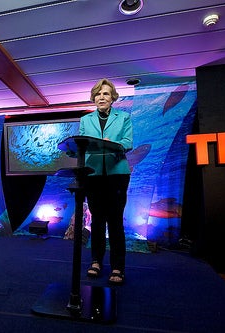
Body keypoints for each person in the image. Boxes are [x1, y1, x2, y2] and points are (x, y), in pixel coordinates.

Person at [79, 78, 133, 285]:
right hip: (93, 175)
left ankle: (118, 266)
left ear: (113, 98)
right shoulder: (85, 120)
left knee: (116, 221)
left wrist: (114, 144)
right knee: (97, 220)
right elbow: (81, 144)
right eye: (98, 94)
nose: (102, 97)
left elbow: (128, 143)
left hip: (117, 174)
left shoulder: (124, 118)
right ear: (94, 98)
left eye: (106, 94)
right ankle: (96, 261)